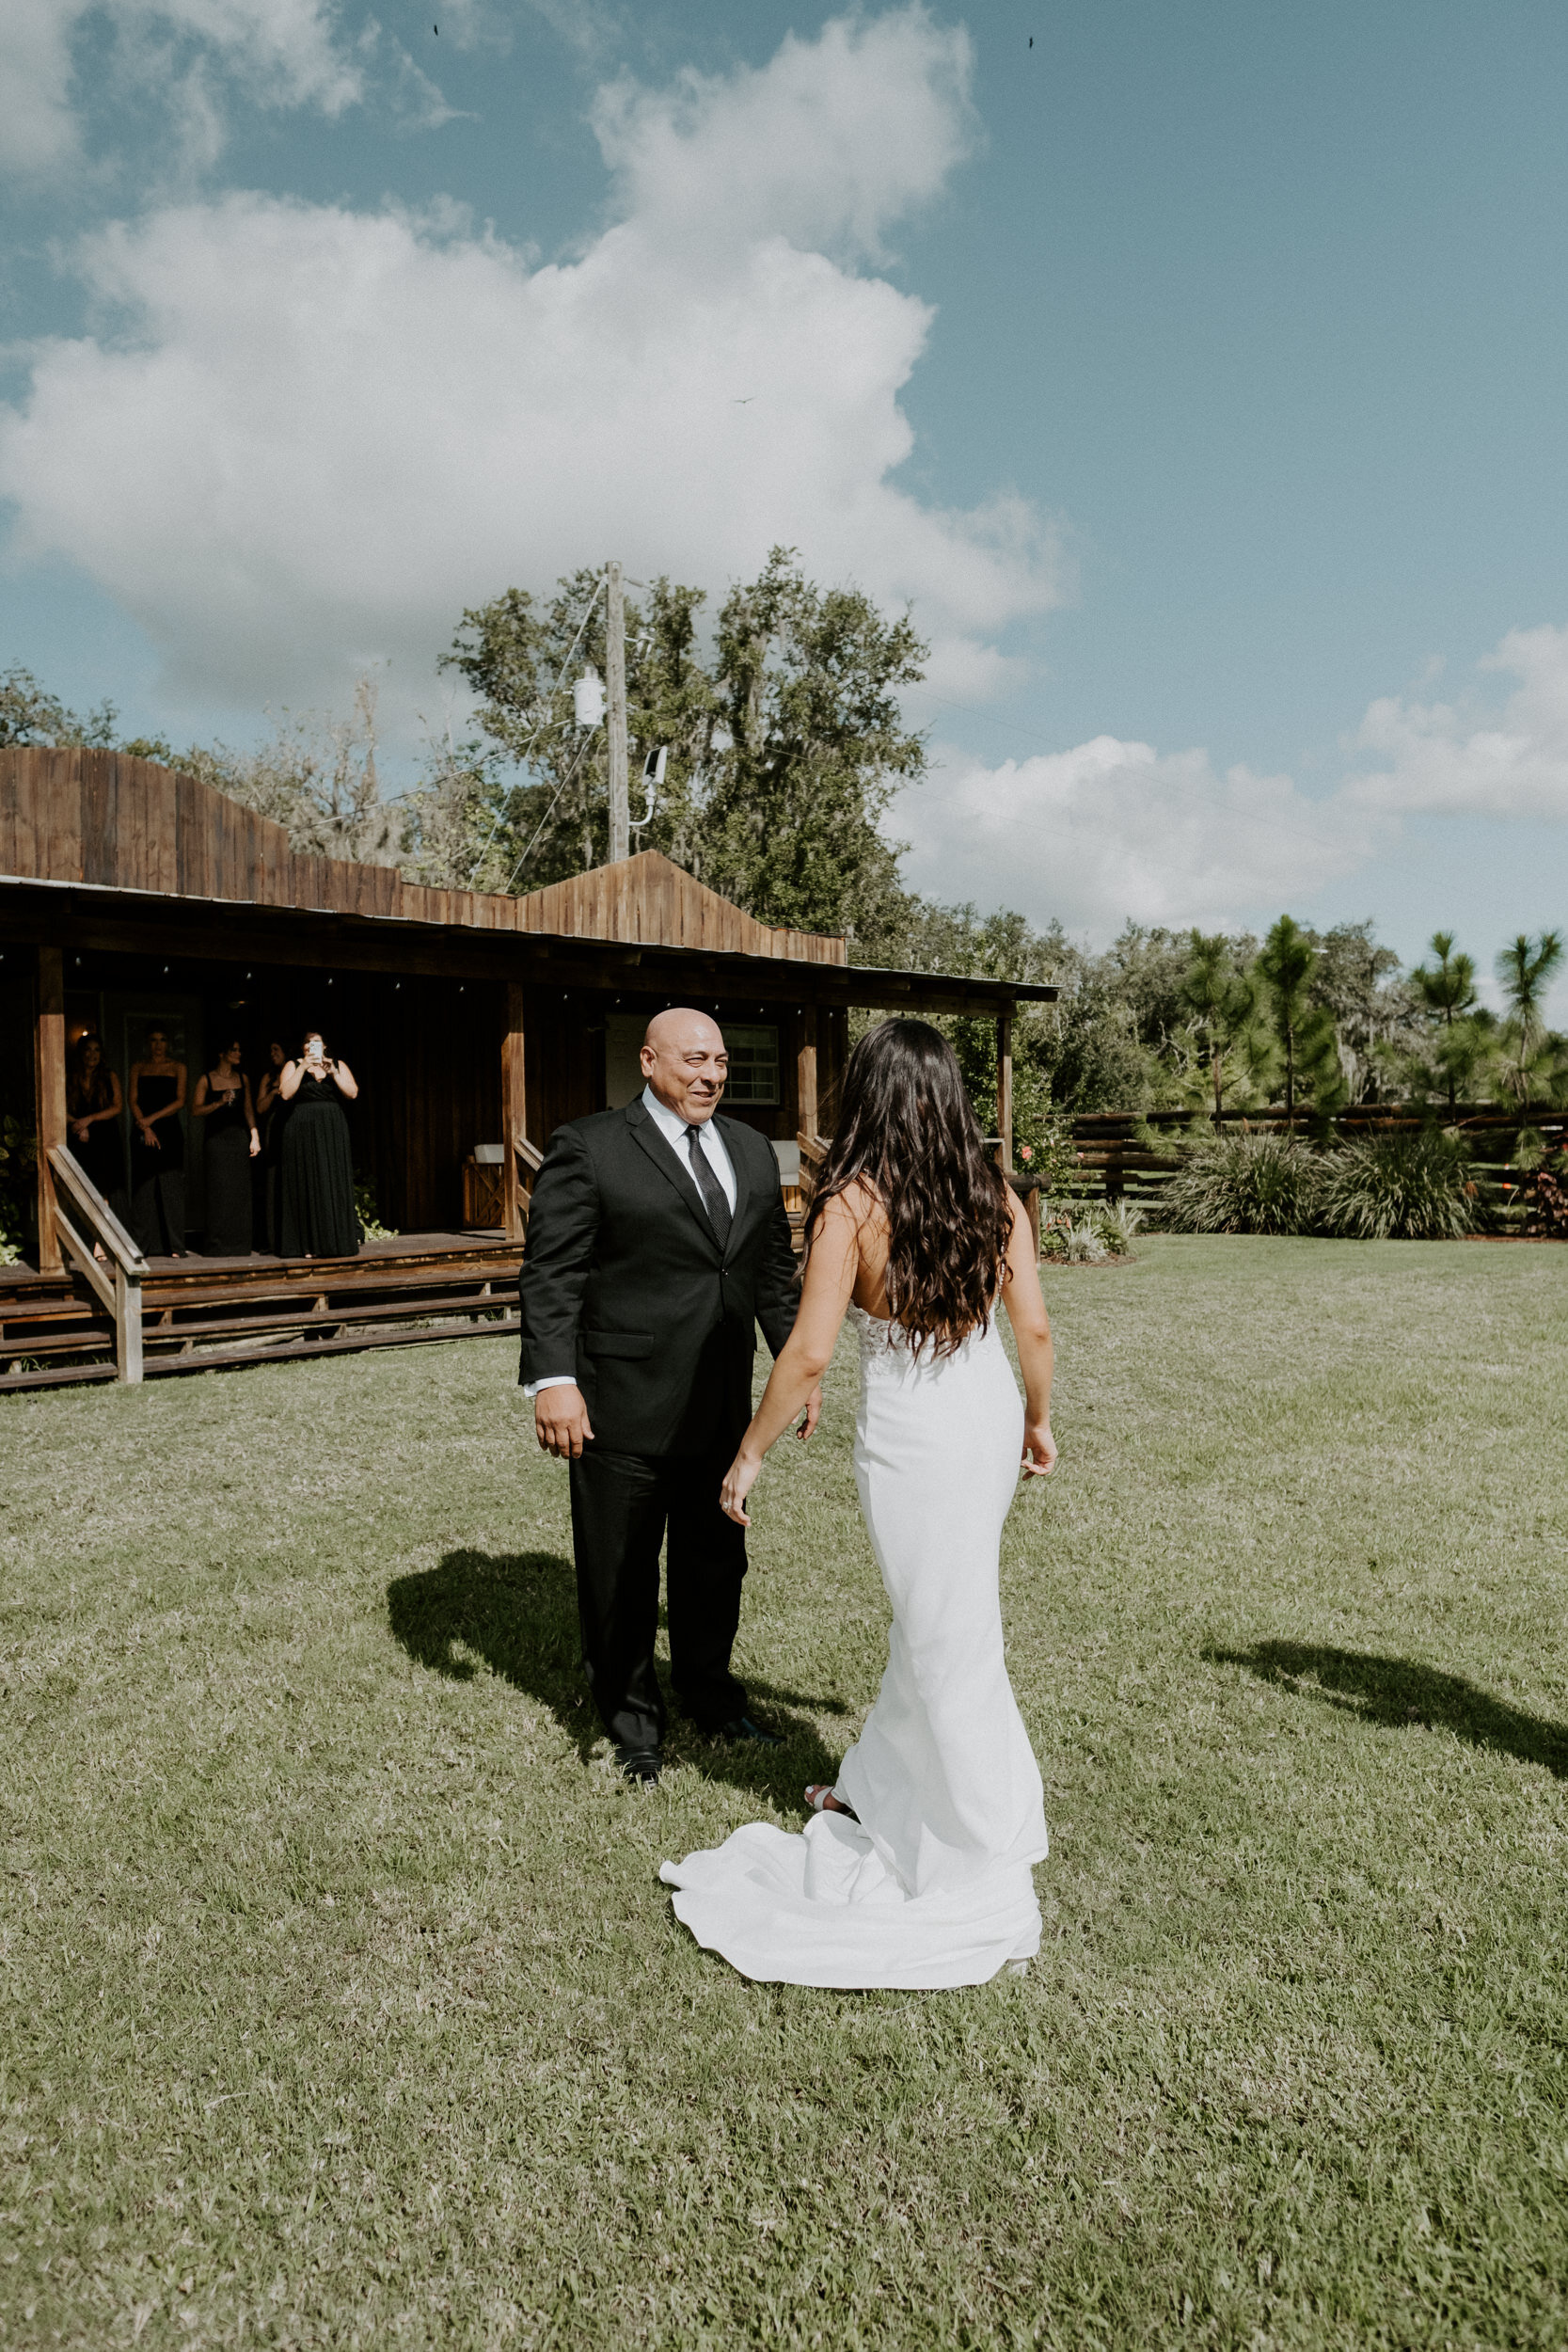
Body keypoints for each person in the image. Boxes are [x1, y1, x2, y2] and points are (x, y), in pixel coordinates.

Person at [659, 1018, 1057, 1991]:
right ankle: (882, 1787)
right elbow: (1034, 1328)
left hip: (914, 1436)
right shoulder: (993, 1194)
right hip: (980, 1413)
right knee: (938, 1615)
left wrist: (747, 1454)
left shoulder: (849, 1200)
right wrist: (1036, 1423)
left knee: (942, 1624)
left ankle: (970, 1836)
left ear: (867, 1096)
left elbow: (807, 1351)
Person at [519, 1008, 819, 1787]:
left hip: (722, 1406)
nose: (710, 1074)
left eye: (718, 1061)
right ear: (649, 1062)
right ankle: (632, 1722)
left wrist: (797, 1370)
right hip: (620, 1402)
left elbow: (770, 1277)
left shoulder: (754, 1151)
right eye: (693, 1059)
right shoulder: (588, 1147)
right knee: (618, 1571)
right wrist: (554, 1381)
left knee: (715, 1564)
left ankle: (711, 1696)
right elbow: (553, 1275)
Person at [278, 1030, 359, 1258]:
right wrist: (304, 1067)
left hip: (332, 1128)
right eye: (308, 1044)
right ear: (303, 1048)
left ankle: (334, 1241)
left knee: (332, 1179)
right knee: (306, 1180)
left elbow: (352, 1093)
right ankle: (307, 1244)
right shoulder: (293, 1065)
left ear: (324, 1047)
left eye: (316, 1043)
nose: (311, 1047)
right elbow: (285, 1094)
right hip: (302, 1128)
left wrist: (333, 1073)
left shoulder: (338, 1065)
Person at [192, 1037, 260, 1256]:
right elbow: (195, 1110)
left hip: (238, 1138)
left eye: (240, 1050)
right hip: (216, 1140)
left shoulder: (243, 1078)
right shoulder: (206, 1079)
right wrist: (219, 1102)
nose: (238, 1053)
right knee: (219, 1190)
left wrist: (254, 1135)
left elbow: (248, 1109)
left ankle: (239, 1244)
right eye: (234, 1049)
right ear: (222, 1053)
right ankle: (217, 1245)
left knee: (239, 1191)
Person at [128, 1025, 188, 1257]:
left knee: (171, 1187)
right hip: (143, 1129)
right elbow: (132, 1099)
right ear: (147, 1043)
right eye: (153, 1039)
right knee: (143, 1188)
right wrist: (145, 1126)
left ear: (168, 1044)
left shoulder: (177, 1067)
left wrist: (150, 1121)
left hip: (168, 1129)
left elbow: (180, 1100)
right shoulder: (138, 1067)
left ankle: (175, 1246)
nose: (158, 1044)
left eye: (163, 1039)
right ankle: (140, 1246)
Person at [65, 1034, 128, 1248]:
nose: (92, 1055)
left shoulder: (109, 1076)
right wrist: (78, 1125)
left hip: (104, 1138)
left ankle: (102, 1242)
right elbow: (57, 1107)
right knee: (82, 1189)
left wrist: (89, 1120)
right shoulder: (70, 1076)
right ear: (81, 1053)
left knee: (104, 1190)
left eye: (97, 1050)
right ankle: (85, 1241)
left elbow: (117, 1107)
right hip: (79, 1138)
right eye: (88, 1050)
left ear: (102, 1055)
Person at [254, 1041, 289, 1253]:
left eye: (277, 1049)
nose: (272, 1054)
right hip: (274, 1127)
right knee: (273, 1179)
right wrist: (274, 1091)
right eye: (270, 1050)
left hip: (293, 1125)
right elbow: (259, 1107)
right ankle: (272, 1238)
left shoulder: (296, 1070)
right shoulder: (269, 1077)